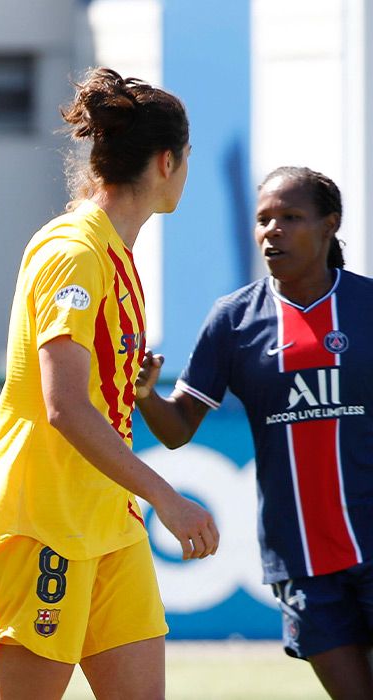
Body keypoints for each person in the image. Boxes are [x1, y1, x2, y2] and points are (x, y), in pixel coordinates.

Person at [0, 67, 218, 699]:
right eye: (186, 160)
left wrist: (129, 389)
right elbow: (63, 408)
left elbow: (87, 390)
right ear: (167, 161)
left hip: (109, 522)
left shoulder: (115, 255)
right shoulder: (73, 250)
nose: (185, 172)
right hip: (43, 522)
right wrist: (169, 497)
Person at [135, 166, 373, 699]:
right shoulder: (234, 320)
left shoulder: (368, 306)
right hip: (303, 561)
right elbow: (177, 431)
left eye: (291, 217)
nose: (273, 230)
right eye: (264, 219)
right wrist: (145, 392)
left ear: (330, 224)